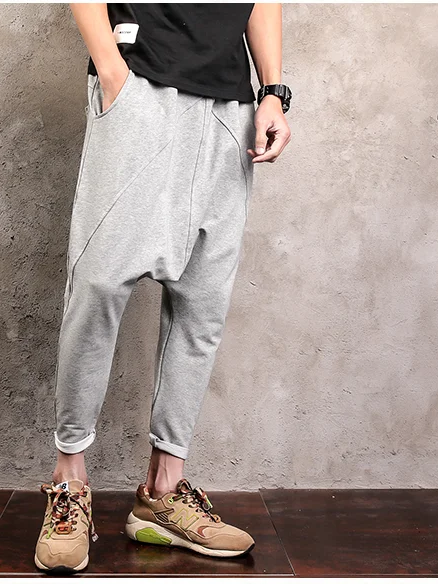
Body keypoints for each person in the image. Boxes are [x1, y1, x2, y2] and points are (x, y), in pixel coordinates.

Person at [34, 3, 291, 573]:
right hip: (140, 86)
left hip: (231, 107)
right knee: (99, 288)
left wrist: (272, 91)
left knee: (202, 306)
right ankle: (69, 481)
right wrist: (111, 72)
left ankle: (162, 493)